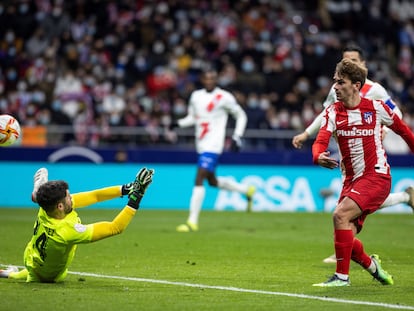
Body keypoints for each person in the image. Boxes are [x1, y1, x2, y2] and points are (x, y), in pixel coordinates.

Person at [292, 45, 414, 264]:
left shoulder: (375, 90)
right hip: (345, 155)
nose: (349, 63)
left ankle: (343, 259)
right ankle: (405, 197)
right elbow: (325, 115)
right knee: (354, 205)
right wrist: (306, 133)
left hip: (368, 153)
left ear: (362, 64)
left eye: (354, 59)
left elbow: (395, 113)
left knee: (349, 208)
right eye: (346, 59)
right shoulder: (337, 89)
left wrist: (383, 129)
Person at [0, 166, 154, 283]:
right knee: (33, 274)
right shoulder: (67, 231)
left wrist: (127, 188)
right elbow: (115, 227)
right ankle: (11, 273)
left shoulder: (46, 208)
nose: (71, 198)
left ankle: (9, 273)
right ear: (60, 206)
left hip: (31, 259)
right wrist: (136, 197)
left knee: (28, 272)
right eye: (68, 197)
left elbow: (94, 196)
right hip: (51, 276)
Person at [173, 69, 256, 232]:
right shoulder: (196, 96)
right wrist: (178, 124)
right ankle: (246, 190)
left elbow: (241, 116)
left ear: (216, 79)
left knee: (199, 178)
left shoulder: (224, 97)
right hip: (201, 145)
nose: (210, 80)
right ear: (202, 79)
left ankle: (192, 222)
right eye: (207, 78)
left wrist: (237, 136)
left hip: (214, 145)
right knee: (212, 182)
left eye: (213, 78)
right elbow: (193, 117)